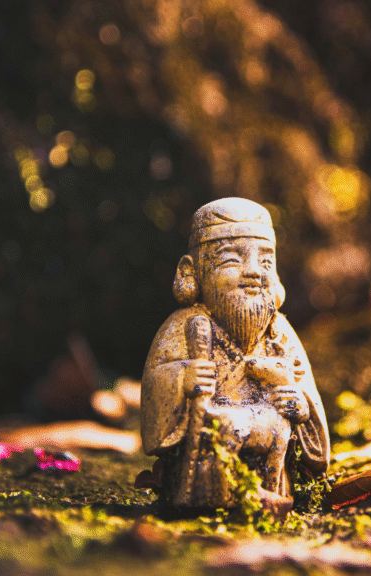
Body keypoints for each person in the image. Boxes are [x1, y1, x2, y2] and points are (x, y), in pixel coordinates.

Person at [140, 198, 329, 511]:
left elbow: (310, 408)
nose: (254, 272)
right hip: (207, 462)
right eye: (232, 260)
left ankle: (273, 498)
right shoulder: (181, 327)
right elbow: (156, 390)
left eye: (266, 262)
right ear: (191, 270)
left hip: (273, 461)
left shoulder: (280, 333)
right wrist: (182, 377)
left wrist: (300, 404)